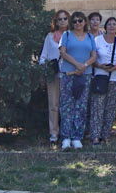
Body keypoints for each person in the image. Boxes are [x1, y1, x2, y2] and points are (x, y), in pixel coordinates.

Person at [57, 11, 97, 150]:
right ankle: (66, 137)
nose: (77, 23)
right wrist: (77, 64)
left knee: (81, 105)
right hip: (68, 73)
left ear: (85, 22)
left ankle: (77, 136)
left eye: (80, 21)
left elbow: (94, 55)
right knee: (67, 105)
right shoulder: (66, 35)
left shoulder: (90, 37)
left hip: (84, 75)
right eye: (74, 21)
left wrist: (84, 66)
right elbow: (63, 52)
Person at [89, 17, 116, 145]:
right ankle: (95, 135)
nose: (111, 26)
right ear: (105, 27)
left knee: (111, 107)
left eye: (114, 24)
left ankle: (106, 133)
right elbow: (92, 57)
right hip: (100, 77)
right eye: (109, 24)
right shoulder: (97, 40)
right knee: (97, 106)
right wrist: (100, 66)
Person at [39, 9, 70, 145]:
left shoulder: (72, 36)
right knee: (53, 104)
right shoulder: (49, 36)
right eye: (59, 19)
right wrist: (44, 69)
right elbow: (43, 56)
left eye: (65, 18)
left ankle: (67, 133)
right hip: (53, 75)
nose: (62, 21)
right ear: (56, 21)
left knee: (68, 105)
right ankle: (53, 133)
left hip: (69, 74)